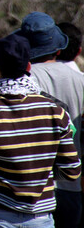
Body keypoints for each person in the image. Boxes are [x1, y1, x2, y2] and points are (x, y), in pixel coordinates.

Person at [0, 34, 81, 228]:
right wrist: (38, 170)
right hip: (40, 218)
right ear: (28, 67)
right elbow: (71, 170)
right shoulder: (55, 111)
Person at [19, 13, 83, 228]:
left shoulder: (22, 81)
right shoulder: (80, 80)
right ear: (58, 49)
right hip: (71, 184)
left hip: (32, 188)